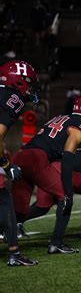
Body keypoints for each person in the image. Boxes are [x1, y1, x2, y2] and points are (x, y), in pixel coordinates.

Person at [13, 94, 81, 254]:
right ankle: (56, 243)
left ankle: (8, 240)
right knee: (65, 198)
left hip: (21, 156)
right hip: (38, 158)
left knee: (18, 211)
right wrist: (68, 188)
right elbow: (68, 156)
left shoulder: (61, 117)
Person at [0, 60, 39, 266]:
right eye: (28, 82)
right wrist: (5, 165)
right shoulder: (11, 97)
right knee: (5, 202)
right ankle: (14, 254)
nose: (30, 88)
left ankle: (14, 252)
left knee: (5, 201)